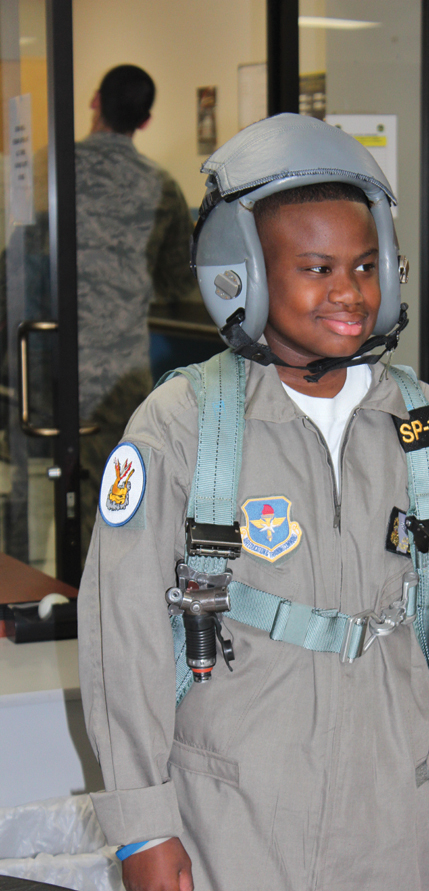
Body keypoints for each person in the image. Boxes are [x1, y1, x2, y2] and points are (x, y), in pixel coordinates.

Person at [78, 114, 429, 891]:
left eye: (364, 265)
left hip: (394, 804)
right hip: (229, 813)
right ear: (239, 272)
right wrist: (144, 822)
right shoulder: (183, 426)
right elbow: (125, 638)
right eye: (317, 268)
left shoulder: (423, 428)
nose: (349, 292)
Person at [76, 64, 200, 556]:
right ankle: (106, 594)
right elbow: (178, 281)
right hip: (121, 370)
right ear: (145, 121)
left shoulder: (51, 170)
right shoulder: (161, 185)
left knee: (42, 488)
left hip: (49, 361)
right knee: (121, 490)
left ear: (94, 102)